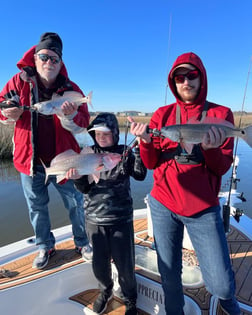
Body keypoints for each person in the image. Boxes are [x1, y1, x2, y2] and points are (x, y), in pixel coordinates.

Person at [129, 52, 241, 315]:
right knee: (169, 276)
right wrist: (146, 141)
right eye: (179, 77)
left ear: (201, 78)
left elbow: (222, 167)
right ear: (173, 82)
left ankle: (232, 308)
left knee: (222, 285)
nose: (186, 81)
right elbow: (151, 163)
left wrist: (212, 149)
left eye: (191, 75)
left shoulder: (220, 114)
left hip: (203, 207)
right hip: (163, 203)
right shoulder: (162, 115)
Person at [0, 32, 92, 269]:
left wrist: (70, 115)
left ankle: (82, 242)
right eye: (44, 57)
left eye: (54, 59)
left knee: (75, 202)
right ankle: (45, 245)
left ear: (61, 62)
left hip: (66, 160)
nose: (49, 62)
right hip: (29, 162)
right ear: (35, 57)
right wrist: (7, 113)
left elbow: (83, 124)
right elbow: (2, 106)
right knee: (37, 207)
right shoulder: (17, 82)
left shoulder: (71, 88)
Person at [65, 112, 147, 315]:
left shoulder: (124, 151)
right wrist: (76, 177)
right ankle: (106, 290)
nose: (101, 137)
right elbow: (83, 188)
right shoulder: (86, 153)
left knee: (125, 265)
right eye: (97, 133)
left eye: (106, 133)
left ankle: (130, 299)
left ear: (115, 133)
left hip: (121, 219)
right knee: (99, 264)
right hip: (94, 219)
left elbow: (140, 175)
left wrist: (140, 150)